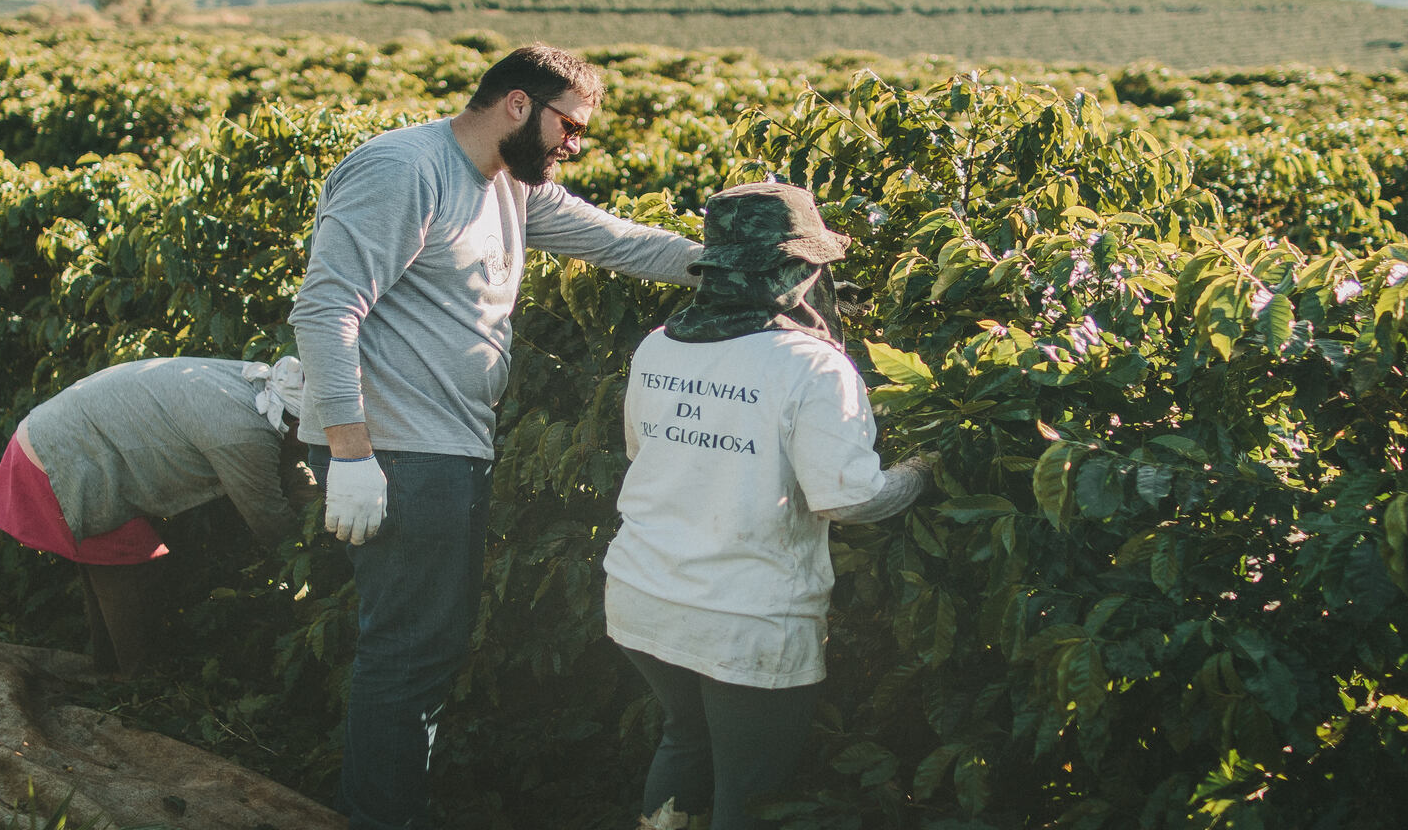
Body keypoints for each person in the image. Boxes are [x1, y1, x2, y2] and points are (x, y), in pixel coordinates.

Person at [289, 44, 704, 829]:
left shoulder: (508, 186)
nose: (574, 143)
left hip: (444, 447)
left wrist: (739, 265)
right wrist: (351, 451)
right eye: (569, 125)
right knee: (410, 652)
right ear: (518, 104)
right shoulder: (404, 169)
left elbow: (616, 240)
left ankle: (382, 810)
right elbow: (324, 309)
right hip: (399, 451)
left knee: (425, 648)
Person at [602, 181, 929, 830]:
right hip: (747, 616)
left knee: (685, 741)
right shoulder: (811, 367)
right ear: (794, 268)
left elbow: (643, 452)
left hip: (643, 592)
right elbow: (850, 496)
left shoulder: (658, 346)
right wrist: (922, 472)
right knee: (751, 793)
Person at [0, 355, 312, 677]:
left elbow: (288, 463)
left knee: (110, 560)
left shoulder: (260, 390)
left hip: (56, 437)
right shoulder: (245, 432)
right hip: (61, 455)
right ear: (297, 422)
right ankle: (139, 682)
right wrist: (317, 557)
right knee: (127, 564)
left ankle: (110, 669)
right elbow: (269, 520)